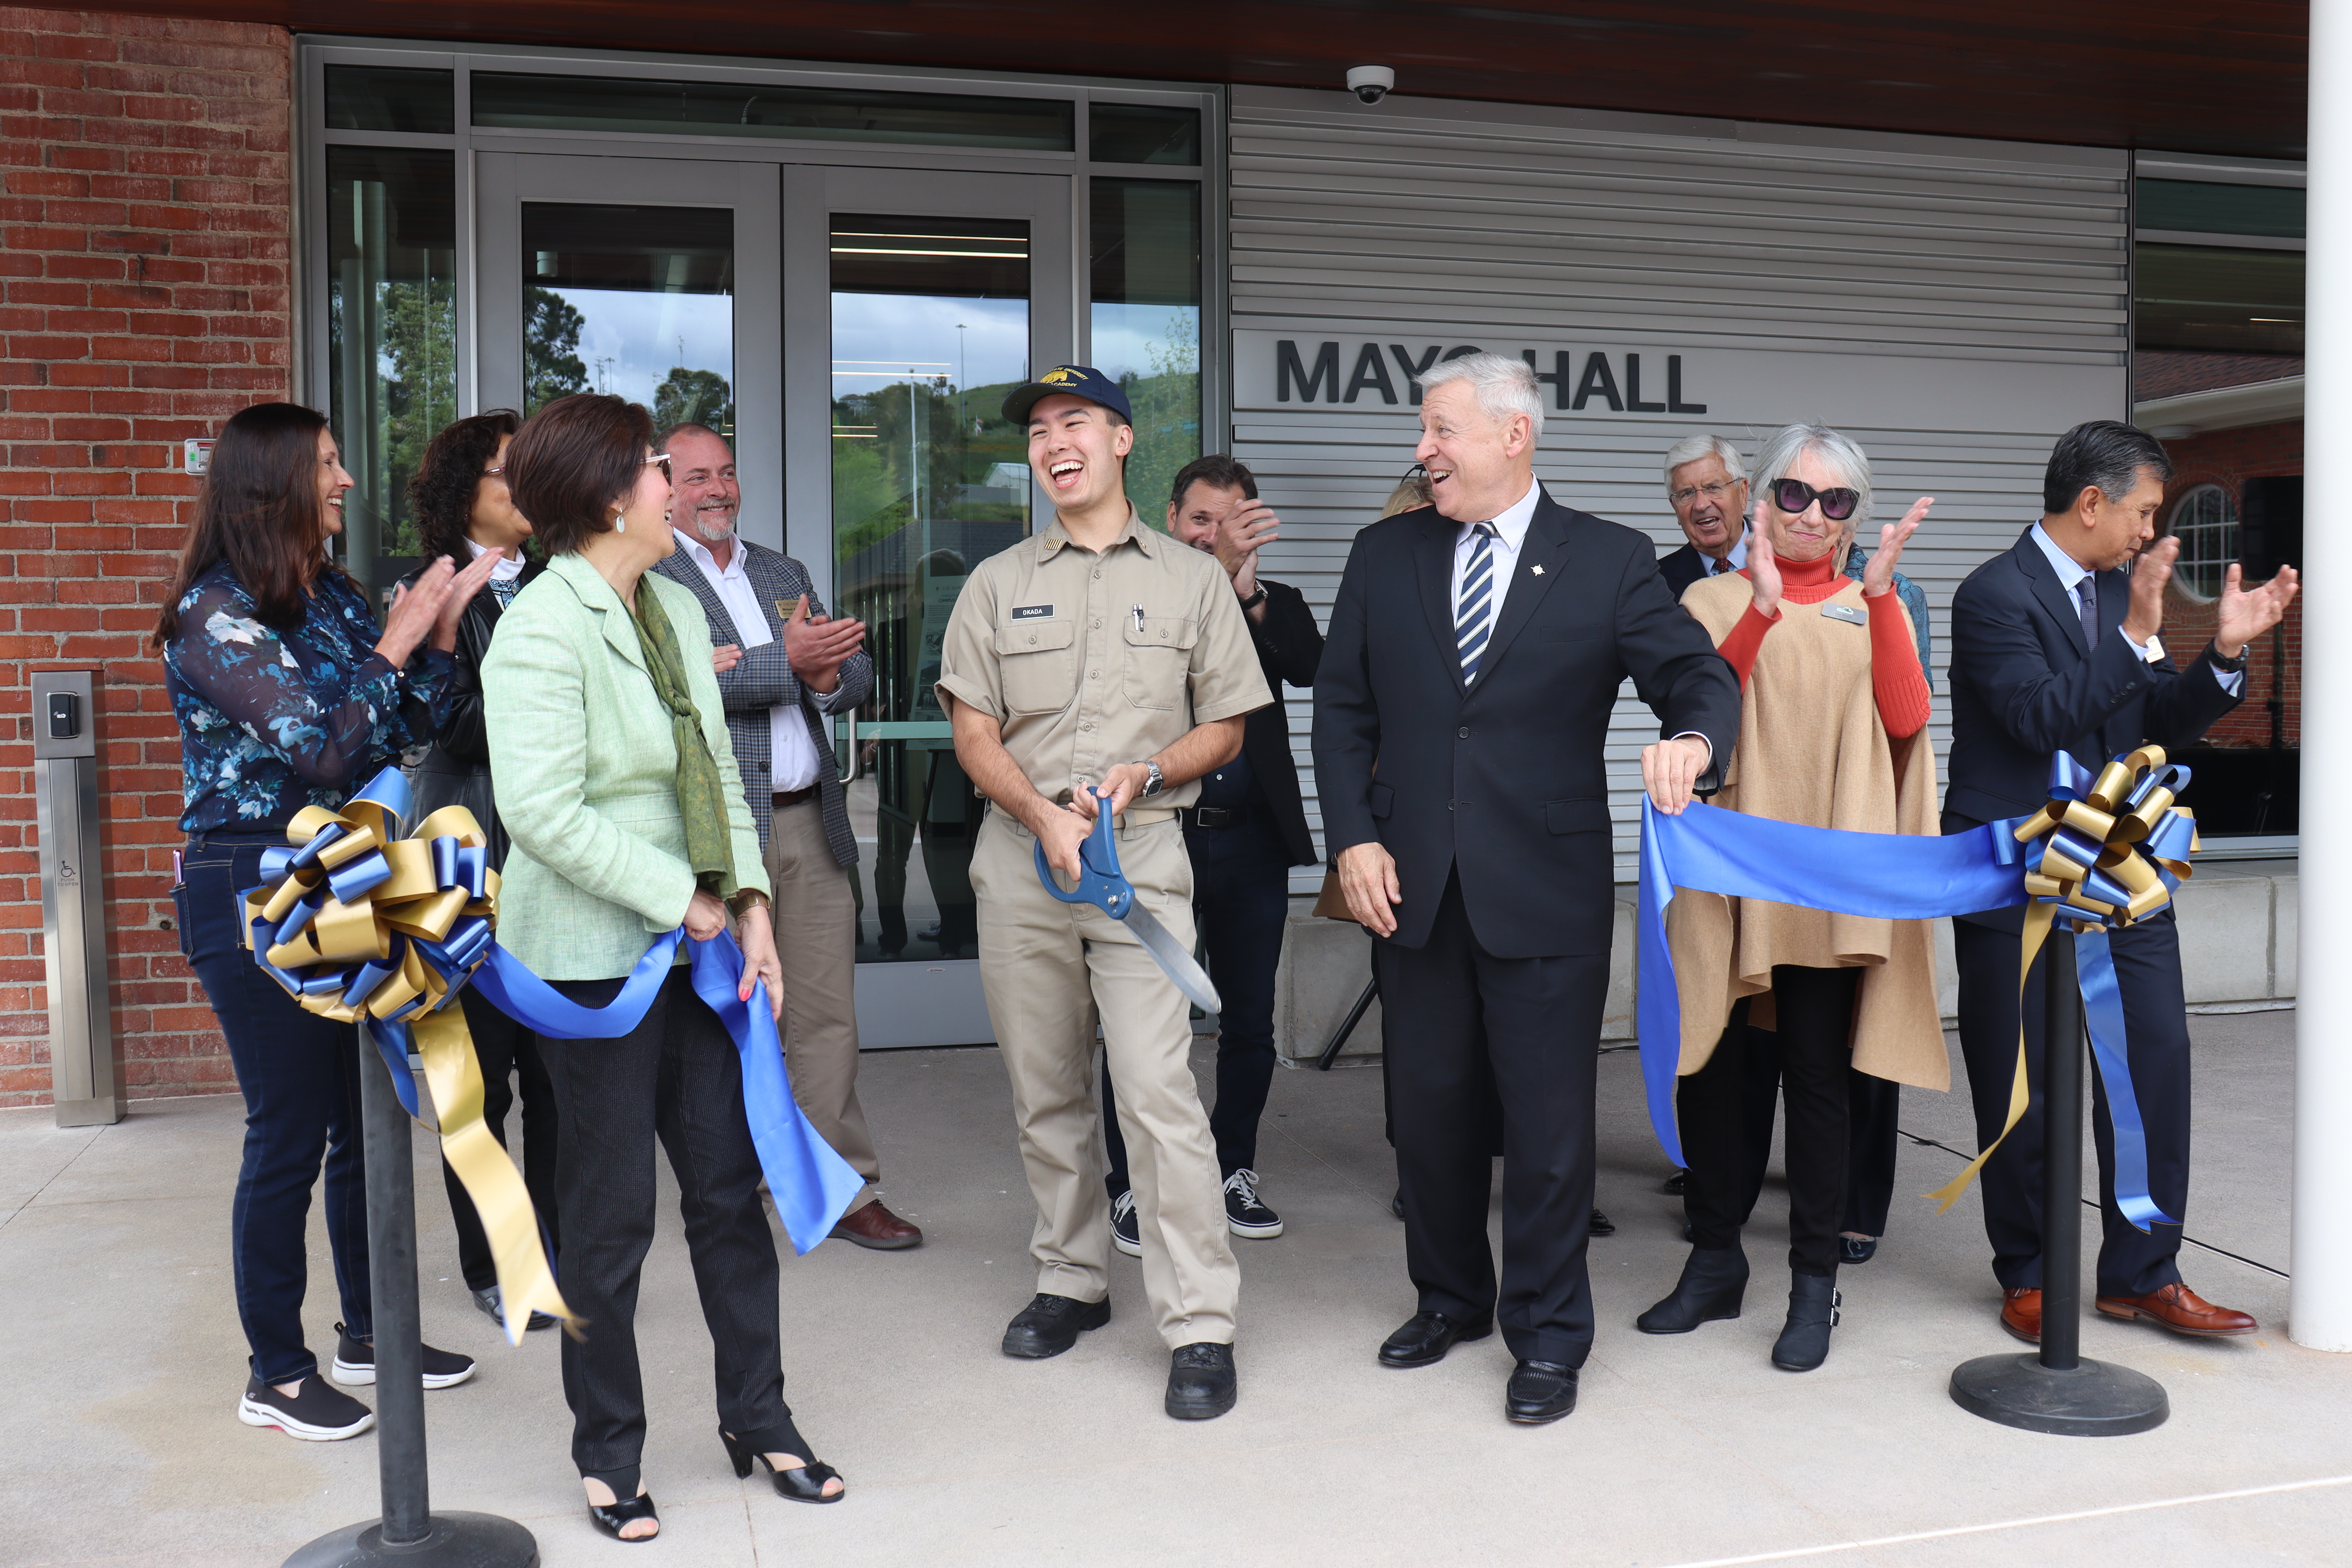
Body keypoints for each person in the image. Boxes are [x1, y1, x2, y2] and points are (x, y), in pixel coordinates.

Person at [1312, 353, 1741, 1425]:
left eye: (1443, 430)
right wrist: (1353, 842)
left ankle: (1549, 1338)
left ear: (1515, 435)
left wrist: (1694, 738)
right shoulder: (1383, 554)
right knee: (1431, 1116)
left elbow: (1697, 674)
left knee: (1550, 1131)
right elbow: (1340, 713)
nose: (1425, 450)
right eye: (1425, 431)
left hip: (1543, 887)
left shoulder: (1606, 558)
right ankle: (1450, 1297)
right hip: (1408, 884)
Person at [482, 394, 832, 1542]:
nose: (672, 485)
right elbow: (543, 814)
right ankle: (609, 1451)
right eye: (652, 468)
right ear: (605, 496)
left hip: (701, 947)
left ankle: (760, 1419)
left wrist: (749, 905)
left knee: (729, 1195)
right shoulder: (543, 623)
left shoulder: (673, 606)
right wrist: (679, 900)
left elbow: (718, 776)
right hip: (591, 967)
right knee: (609, 1217)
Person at [938, 365, 1272, 1421]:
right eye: (1038, 431)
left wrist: (1149, 773)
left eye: (1073, 422)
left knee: (1157, 1091)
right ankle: (1073, 1279)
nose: (1052, 442)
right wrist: (1040, 815)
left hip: (1143, 865)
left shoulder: (1191, 578)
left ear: (1124, 440)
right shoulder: (996, 581)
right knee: (1046, 1088)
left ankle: (1202, 1322)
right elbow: (974, 729)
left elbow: (1229, 722)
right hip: (1022, 861)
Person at [156, 401, 494, 1441]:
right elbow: (325, 752)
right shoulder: (213, 617)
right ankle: (276, 1368)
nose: (346, 482)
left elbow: (418, 719)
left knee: (362, 1120)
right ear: (273, 486)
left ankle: (370, 1329)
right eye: (330, 465)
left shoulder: (331, 597)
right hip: (251, 884)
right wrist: (397, 644)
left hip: (345, 871)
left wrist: (431, 642)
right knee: (290, 1130)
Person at [1945, 419, 2297, 1345]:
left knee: (2155, 1061)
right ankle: (2027, 1270)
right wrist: (2138, 632)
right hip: (2015, 871)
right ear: (2091, 501)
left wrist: (2222, 656)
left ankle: (2144, 1272)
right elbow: (2038, 720)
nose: (2150, 532)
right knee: (2022, 1078)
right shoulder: (1992, 593)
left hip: (2120, 865)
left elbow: (2152, 721)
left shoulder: (2117, 594)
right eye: (2143, 511)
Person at [1639, 425, 1941, 1372]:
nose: (1814, 512)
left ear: (1855, 518)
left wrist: (1884, 594)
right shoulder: (1708, 596)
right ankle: (1715, 1261)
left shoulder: (1873, 601)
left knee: (1818, 1079)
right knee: (1718, 1070)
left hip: (1824, 887)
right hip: (1730, 873)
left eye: (1837, 499)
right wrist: (1763, 612)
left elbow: (1905, 719)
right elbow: (1696, 709)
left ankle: (1816, 1281)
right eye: (1796, 494)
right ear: (1762, 500)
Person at [648, 422, 918, 1250]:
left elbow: (850, 673)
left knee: (828, 1017)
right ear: (664, 486)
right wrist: (787, 661)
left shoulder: (780, 570)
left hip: (810, 821)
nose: (717, 490)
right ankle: (739, 1186)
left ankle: (842, 1188)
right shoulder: (649, 580)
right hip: (721, 839)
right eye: (696, 477)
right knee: (728, 1019)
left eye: (726, 472)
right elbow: (680, 694)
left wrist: (828, 671)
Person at [1100, 454, 1323, 1258]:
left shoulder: (1271, 602)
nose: (1216, 538)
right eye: (1201, 521)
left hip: (1251, 838)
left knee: (1248, 1019)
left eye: (1235, 523)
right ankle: (1131, 1182)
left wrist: (1248, 593)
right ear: (1169, 516)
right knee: (1140, 1018)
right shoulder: (1136, 594)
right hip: (1159, 832)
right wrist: (1209, 584)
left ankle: (1234, 1168)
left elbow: (1312, 665)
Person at [397, 408, 561, 1332]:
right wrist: (559, 712)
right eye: (512, 473)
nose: (530, 489)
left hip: (549, 878)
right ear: (467, 490)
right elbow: (446, 726)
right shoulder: (429, 590)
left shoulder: (548, 581)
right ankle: (496, 1262)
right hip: (473, 872)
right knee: (480, 1087)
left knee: (556, 1082)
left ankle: (555, 1256)